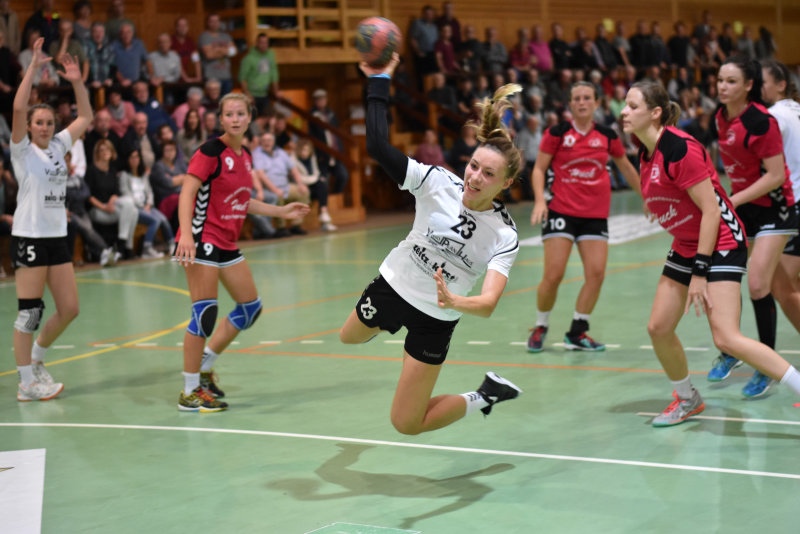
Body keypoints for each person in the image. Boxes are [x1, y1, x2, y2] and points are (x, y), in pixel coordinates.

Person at [339, 53, 523, 435]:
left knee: (406, 423)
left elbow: (488, 303)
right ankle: (388, 324)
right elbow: (377, 146)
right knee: (348, 337)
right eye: (474, 166)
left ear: (506, 183)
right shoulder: (436, 182)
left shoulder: (504, 234)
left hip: (436, 318)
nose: (475, 178)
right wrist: (378, 81)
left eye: (488, 174)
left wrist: (454, 302)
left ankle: (486, 395)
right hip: (394, 286)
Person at [620, 80, 800, 426]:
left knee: (727, 337)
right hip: (687, 243)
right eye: (625, 105)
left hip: (721, 241)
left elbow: (712, 211)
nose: (624, 112)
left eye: (632, 106)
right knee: (658, 327)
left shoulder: (679, 148)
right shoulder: (645, 150)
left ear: (655, 113)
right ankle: (688, 399)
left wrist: (700, 273)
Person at [172, 92, 309, 412]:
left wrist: (280, 211)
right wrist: (187, 234)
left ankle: (205, 367)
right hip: (202, 237)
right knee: (205, 313)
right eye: (229, 114)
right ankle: (189, 392)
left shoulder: (245, 155)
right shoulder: (210, 151)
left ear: (250, 118)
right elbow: (187, 192)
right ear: (220, 119)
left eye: (240, 114)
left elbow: (242, 200)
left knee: (250, 308)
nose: (234, 119)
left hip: (226, 241)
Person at [705, 57, 798, 398]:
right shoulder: (720, 117)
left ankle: (766, 366)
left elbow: (774, 175)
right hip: (743, 208)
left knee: (759, 285)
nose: (722, 86)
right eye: (720, 80)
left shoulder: (762, 121)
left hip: (775, 208)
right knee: (722, 277)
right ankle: (731, 347)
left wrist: (733, 199)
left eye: (731, 81)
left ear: (748, 86)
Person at [527, 81, 640, 353]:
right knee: (553, 275)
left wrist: (647, 197)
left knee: (596, 274)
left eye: (587, 98)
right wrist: (540, 200)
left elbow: (625, 167)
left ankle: (577, 332)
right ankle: (541, 325)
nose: (581, 102)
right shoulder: (557, 133)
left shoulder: (607, 135)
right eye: (576, 98)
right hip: (560, 210)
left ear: (596, 103)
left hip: (594, 215)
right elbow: (539, 169)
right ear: (570, 104)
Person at [9, 36, 92, 401]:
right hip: (29, 236)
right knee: (30, 314)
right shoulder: (22, 151)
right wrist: (32, 67)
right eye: (38, 123)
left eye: (48, 122)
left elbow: (86, 117)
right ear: (29, 127)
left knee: (69, 308)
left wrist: (76, 81)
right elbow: (17, 107)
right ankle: (26, 383)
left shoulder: (59, 144)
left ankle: (37, 358)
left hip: (57, 235)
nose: (44, 127)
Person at [85, 139, 137, 258]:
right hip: (96, 210)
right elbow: (88, 196)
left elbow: (116, 192)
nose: (105, 152)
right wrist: (104, 207)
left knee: (133, 210)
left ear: (112, 152)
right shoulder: (91, 170)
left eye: (108, 149)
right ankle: (123, 245)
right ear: (97, 153)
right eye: (102, 150)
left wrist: (112, 201)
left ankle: (126, 246)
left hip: (111, 208)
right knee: (130, 209)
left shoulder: (112, 170)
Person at [118, 148, 172, 258]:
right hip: (135, 208)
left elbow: (149, 192)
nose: (135, 160)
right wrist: (141, 206)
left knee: (163, 219)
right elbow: (126, 193)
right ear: (128, 159)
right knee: (155, 221)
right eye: (132, 157)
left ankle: (172, 244)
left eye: (136, 157)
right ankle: (146, 248)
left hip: (147, 206)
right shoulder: (124, 175)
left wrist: (148, 204)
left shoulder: (143, 175)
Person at [291, 137, 335, 231]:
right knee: (317, 187)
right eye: (302, 150)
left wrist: (316, 179)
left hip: (313, 184)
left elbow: (316, 173)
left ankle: (324, 213)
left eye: (306, 150)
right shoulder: (292, 159)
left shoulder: (313, 158)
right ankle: (298, 225)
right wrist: (311, 180)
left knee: (322, 184)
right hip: (300, 185)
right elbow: (297, 177)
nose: (304, 152)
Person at [238, 32, 279, 116]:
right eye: (261, 42)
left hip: (265, 94)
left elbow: (274, 73)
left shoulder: (271, 55)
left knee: (268, 118)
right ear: (257, 43)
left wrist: (276, 90)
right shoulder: (248, 58)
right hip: (252, 95)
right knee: (252, 120)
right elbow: (242, 77)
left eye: (266, 42)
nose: (264, 45)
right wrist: (247, 94)